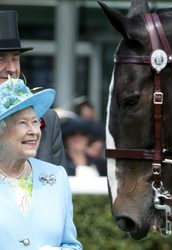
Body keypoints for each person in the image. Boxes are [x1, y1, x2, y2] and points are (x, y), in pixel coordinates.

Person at [0, 78, 82, 250]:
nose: (33, 131)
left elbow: (72, 245)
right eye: (23, 123)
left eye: (35, 121)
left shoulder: (57, 177)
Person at [0, 10, 66, 167]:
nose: (11, 69)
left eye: (15, 59)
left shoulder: (48, 120)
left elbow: (58, 184)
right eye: (1, 59)